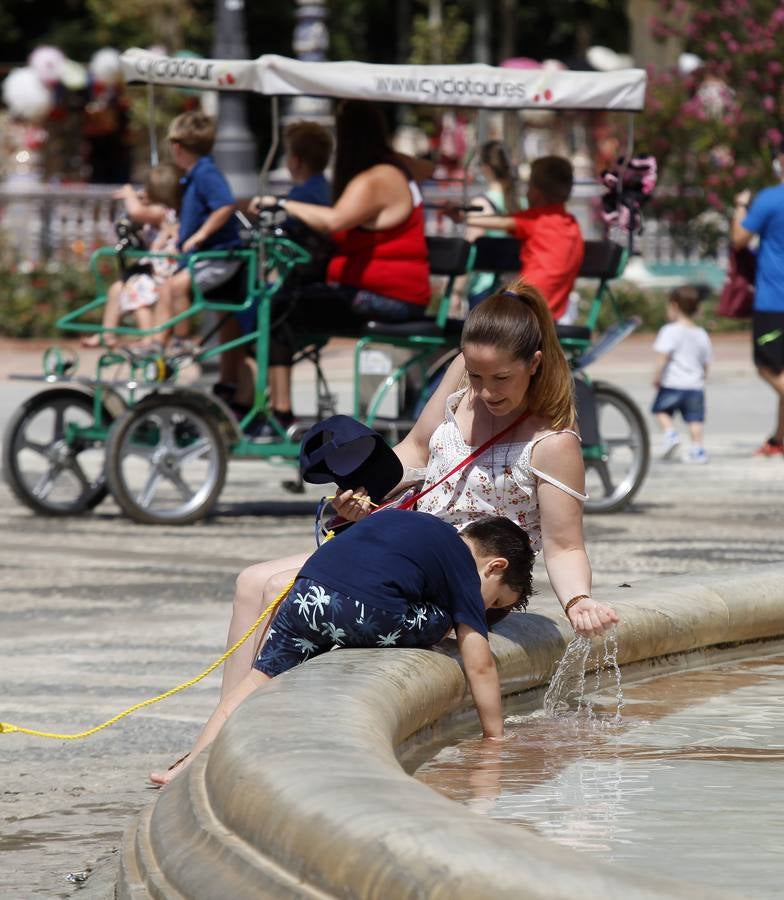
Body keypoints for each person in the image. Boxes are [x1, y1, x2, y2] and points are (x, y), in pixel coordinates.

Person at [209, 278, 619, 718]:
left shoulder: (553, 443)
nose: (486, 392)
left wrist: (579, 601)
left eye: (502, 378)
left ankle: (249, 726)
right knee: (250, 582)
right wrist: (363, 494)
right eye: (476, 377)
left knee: (277, 588)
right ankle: (224, 733)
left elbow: (566, 544)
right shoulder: (463, 374)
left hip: (458, 578)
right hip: (403, 550)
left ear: (534, 364)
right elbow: (416, 450)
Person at [152, 510, 535, 785]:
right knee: (443, 618)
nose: (487, 612)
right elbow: (479, 663)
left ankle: (186, 769)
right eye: (496, 603)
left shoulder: (416, 523)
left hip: (305, 593)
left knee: (254, 682)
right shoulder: (464, 566)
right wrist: (495, 737)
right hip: (365, 609)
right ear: (494, 567)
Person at [251, 100, 434, 429]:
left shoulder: (375, 179)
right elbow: (428, 169)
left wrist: (282, 204)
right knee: (290, 304)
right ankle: (280, 411)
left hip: (386, 298)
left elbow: (334, 221)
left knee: (279, 309)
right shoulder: (396, 168)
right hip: (401, 294)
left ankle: (278, 414)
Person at [217, 120, 335, 416]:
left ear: (294, 160)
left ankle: (248, 398)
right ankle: (247, 396)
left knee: (249, 309)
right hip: (307, 284)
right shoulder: (322, 190)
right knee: (252, 307)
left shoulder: (303, 197)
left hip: (302, 290)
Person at [149, 111, 244, 352]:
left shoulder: (205, 172)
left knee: (177, 287)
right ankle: (156, 341)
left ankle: (182, 340)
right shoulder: (194, 175)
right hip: (203, 256)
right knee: (167, 288)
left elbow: (224, 204)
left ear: (177, 147)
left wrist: (201, 234)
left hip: (218, 256)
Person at [460, 155, 584, 321]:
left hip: (524, 302)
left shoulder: (536, 220)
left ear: (536, 193)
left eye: (528, 187)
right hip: (553, 308)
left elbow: (501, 221)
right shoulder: (571, 223)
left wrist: (462, 216)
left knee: (482, 320)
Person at [80, 164, 182, 349]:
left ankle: (149, 338)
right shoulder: (156, 210)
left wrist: (130, 194)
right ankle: (107, 334)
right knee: (117, 289)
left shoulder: (164, 211)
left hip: (162, 272)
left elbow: (137, 212)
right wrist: (141, 198)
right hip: (151, 270)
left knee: (135, 295)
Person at [731, 140, 784, 456]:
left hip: (774, 301)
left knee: (767, 367)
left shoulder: (770, 199)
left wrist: (740, 206)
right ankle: (779, 439)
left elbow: (739, 239)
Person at [651, 286, 712, 464]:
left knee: (661, 410)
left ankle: (670, 433)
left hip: (672, 382)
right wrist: (703, 377)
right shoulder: (702, 334)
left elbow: (662, 357)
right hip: (695, 385)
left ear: (675, 306)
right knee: (695, 419)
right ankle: (698, 449)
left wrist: (657, 376)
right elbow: (706, 361)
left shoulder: (669, 331)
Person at [463, 140, 522, 309]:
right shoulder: (522, 204)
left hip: (484, 288)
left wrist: (455, 291)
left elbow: (468, 252)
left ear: (486, 167)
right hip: (514, 288)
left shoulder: (481, 204)